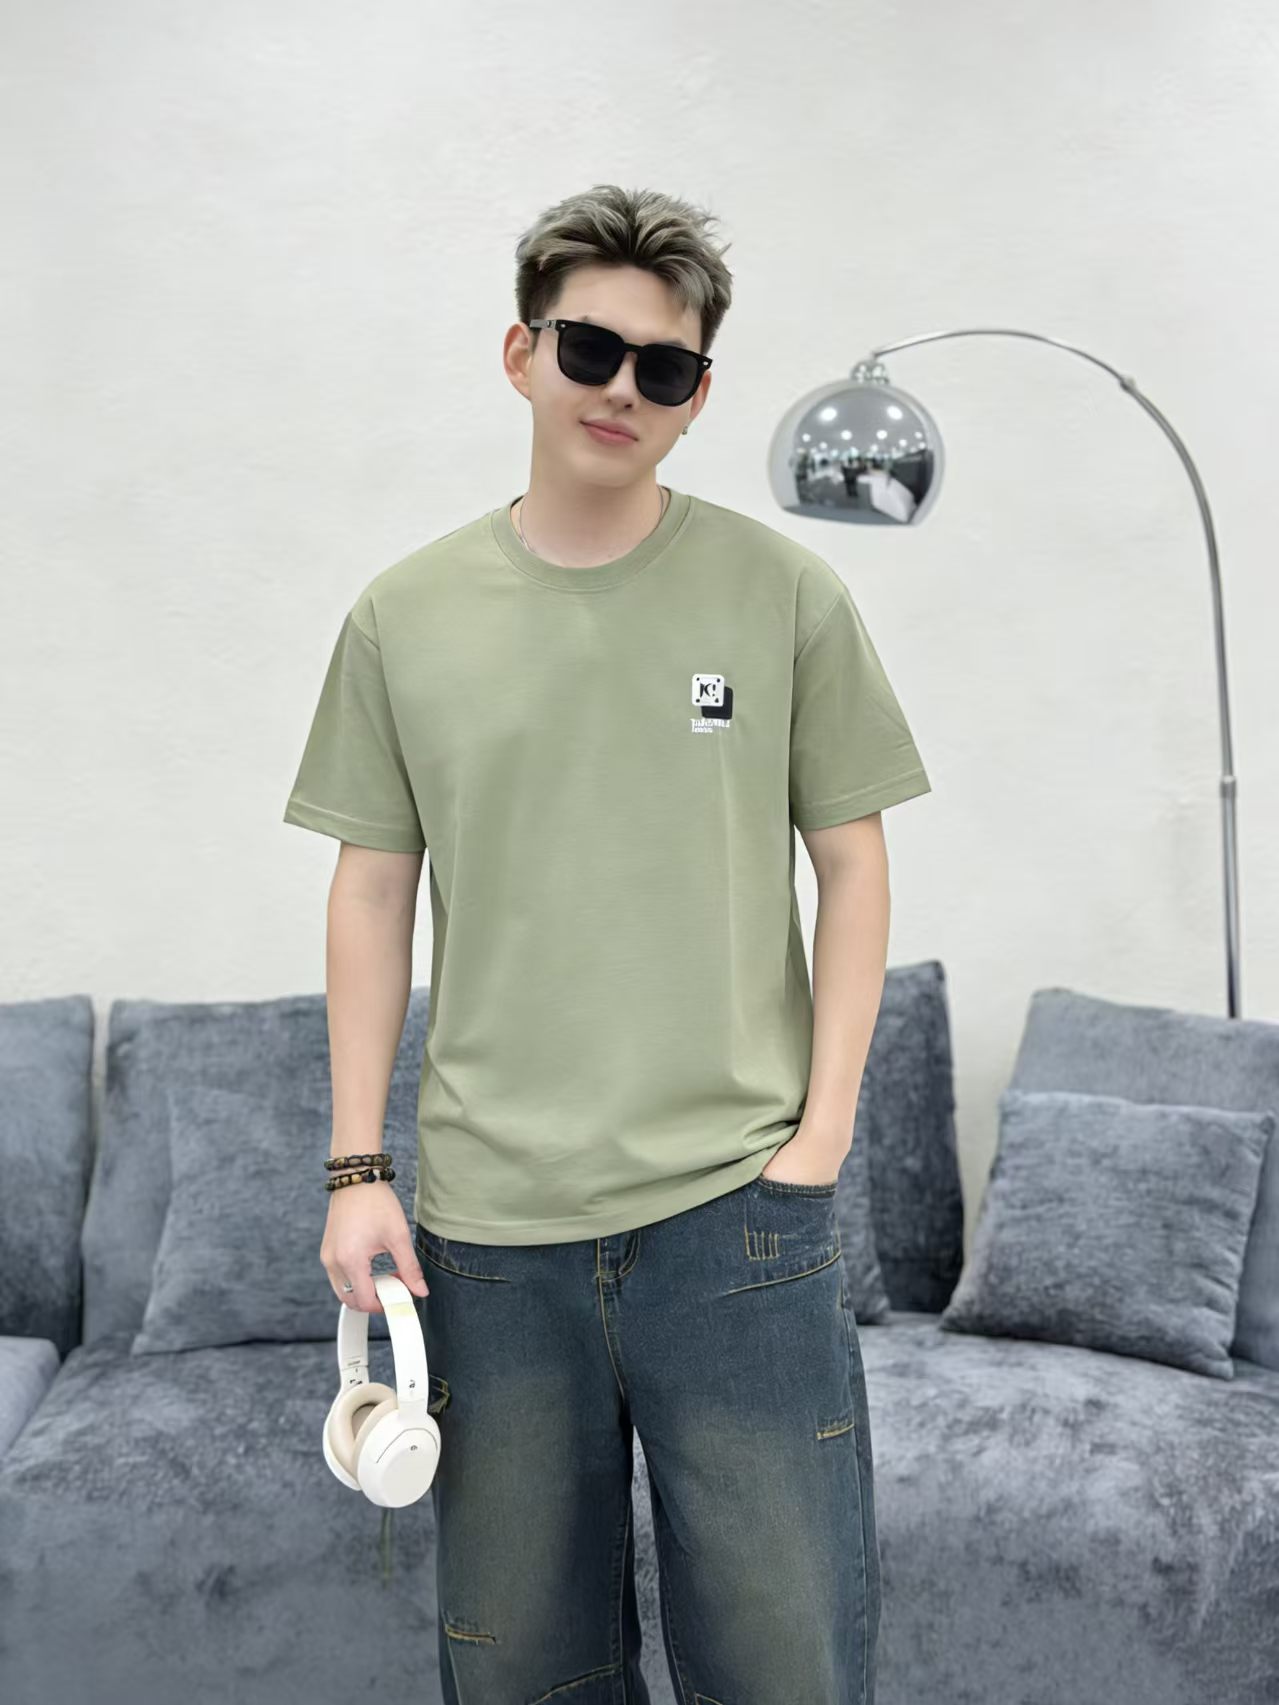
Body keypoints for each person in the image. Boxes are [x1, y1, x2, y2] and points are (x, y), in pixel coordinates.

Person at [284, 181, 931, 1705]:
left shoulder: (783, 593)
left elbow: (854, 863)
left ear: (698, 396)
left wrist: (823, 1134)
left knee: (785, 1670)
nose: (622, 388)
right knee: (527, 1676)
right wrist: (357, 1165)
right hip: (490, 1239)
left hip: (740, 1217)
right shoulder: (402, 618)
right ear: (521, 354)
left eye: (666, 367)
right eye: (590, 349)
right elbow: (370, 892)